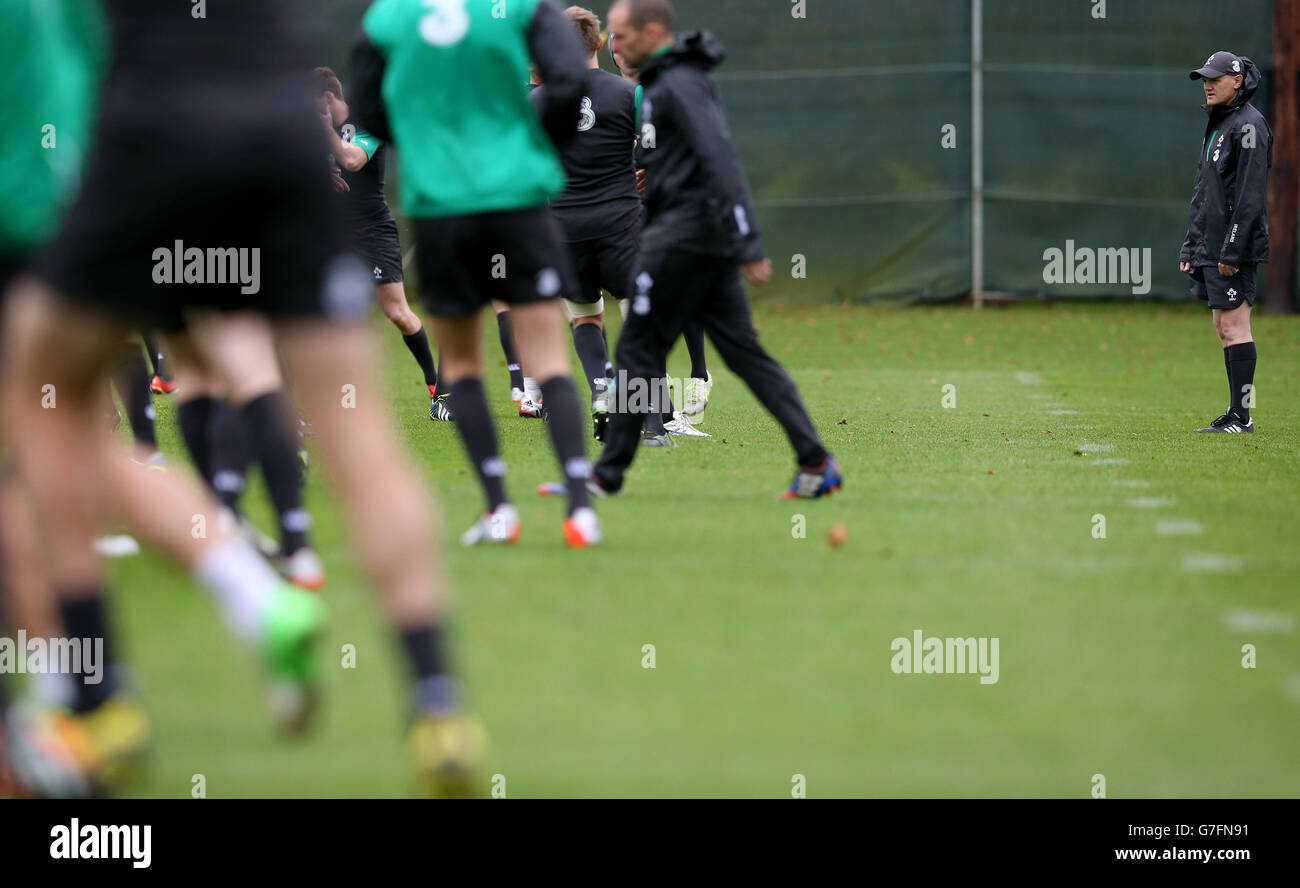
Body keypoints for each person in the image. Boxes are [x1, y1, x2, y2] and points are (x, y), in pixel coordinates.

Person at [3, 0, 480, 796]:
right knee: (359, 439)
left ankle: (96, 700)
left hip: (148, 137)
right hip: (279, 134)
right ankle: (439, 707)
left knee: (49, 398)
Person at [546, 0, 841, 499]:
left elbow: (719, 158)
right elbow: (681, 158)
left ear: (653, 31)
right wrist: (653, 174)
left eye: (622, 36)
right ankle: (815, 461)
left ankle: (607, 474)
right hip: (700, 238)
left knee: (637, 345)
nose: (613, 46)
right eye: (610, 37)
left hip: (686, 239)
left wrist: (747, 240)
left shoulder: (677, 84)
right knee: (742, 354)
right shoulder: (663, 83)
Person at [350, 0, 604, 548]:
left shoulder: (389, 18)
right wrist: (533, 146)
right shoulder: (520, 8)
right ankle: (580, 510)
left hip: (442, 205)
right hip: (518, 198)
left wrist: (427, 144)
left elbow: (366, 113)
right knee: (550, 357)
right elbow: (568, 79)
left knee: (462, 364)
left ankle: (498, 510)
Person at [313, 66, 452, 422]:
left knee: (398, 314)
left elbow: (352, 160)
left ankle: (439, 389)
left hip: (372, 229)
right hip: (331, 232)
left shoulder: (366, 121)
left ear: (328, 98)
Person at [1180, 51, 1272, 434]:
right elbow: (1206, 193)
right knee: (1224, 326)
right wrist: (1192, 246)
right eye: (1204, 77)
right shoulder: (1220, 124)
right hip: (1212, 246)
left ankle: (1242, 417)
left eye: (1215, 78)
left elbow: (1250, 197)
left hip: (1233, 248)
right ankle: (1236, 412)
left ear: (1237, 81)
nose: (1208, 83)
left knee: (1236, 327)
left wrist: (1231, 251)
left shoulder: (1250, 125)